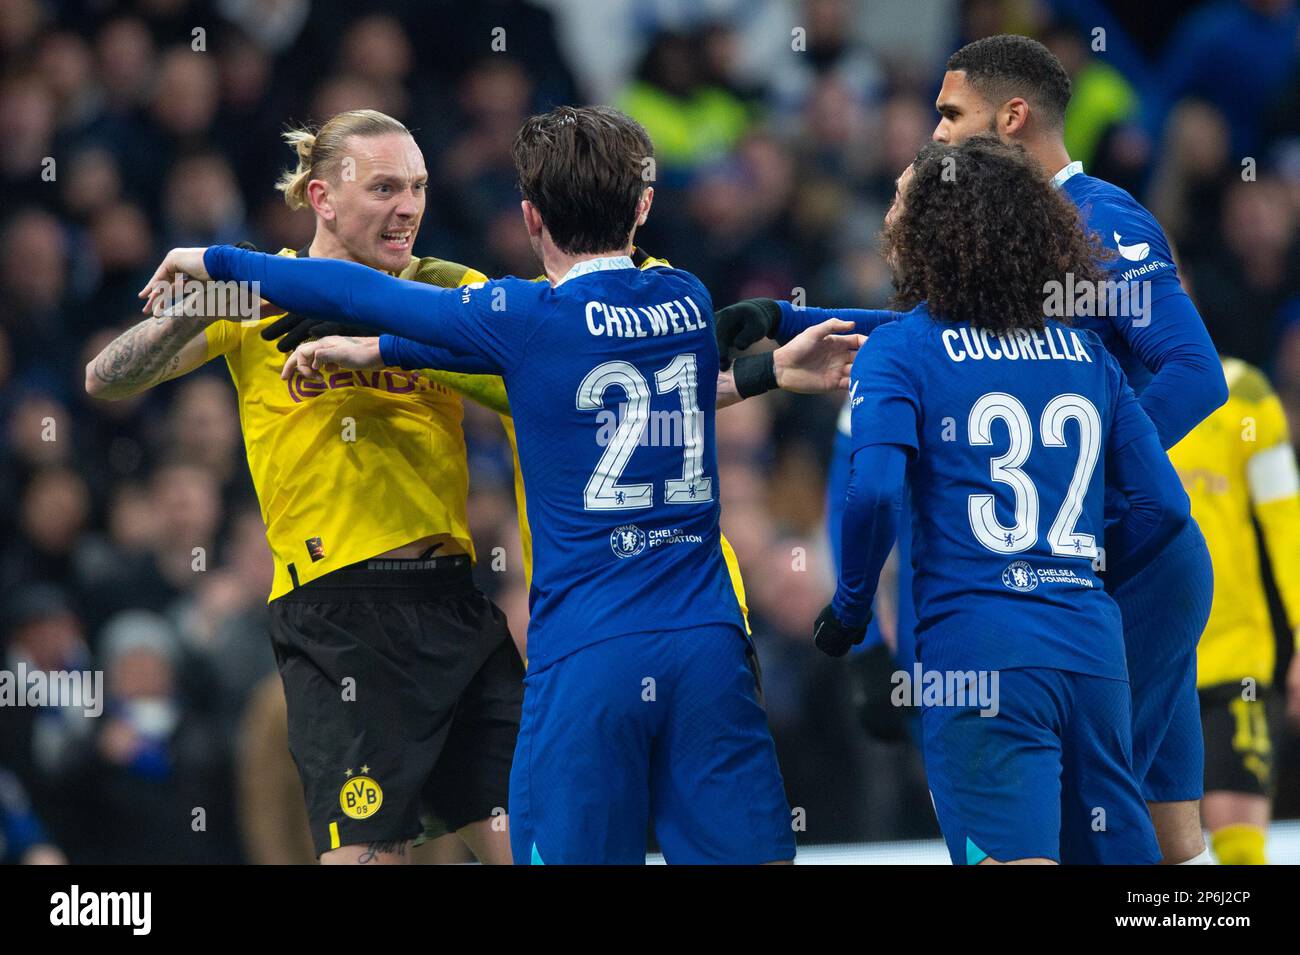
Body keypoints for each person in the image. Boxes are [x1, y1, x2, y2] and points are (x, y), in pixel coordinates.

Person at [140, 105, 864, 864]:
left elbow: (369, 295)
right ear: (645, 205)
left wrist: (218, 260)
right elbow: (684, 366)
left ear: (529, 217)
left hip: (586, 652)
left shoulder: (519, 316)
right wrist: (775, 362)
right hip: (707, 633)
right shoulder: (682, 299)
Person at [716, 33, 1229, 864]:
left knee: (1082, 832)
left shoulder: (1101, 217)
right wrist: (794, 323)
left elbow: (1196, 374)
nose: (940, 135)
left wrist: (1083, 481)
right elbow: (977, 349)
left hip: (1123, 565)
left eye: (952, 113)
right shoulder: (1029, 240)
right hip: (1094, 569)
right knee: (1164, 841)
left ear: (1012, 116)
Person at [87, 109, 526, 865]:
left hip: (455, 601)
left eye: (417, 187)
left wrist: (388, 336)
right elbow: (108, 376)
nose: (409, 207)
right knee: (367, 853)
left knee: (531, 836)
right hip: (342, 610)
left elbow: (528, 372)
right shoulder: (261, 292)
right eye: (385, 186)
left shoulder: (443, 290)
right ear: (322, 197)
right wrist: (211, 304)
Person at [815, 138, 1189, 864]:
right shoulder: (1090, 358)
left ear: (932, 230)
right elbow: (1164, 509)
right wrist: (1077, 571)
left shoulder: (902, 351)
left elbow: (876, 494)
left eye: (900, 203)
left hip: (977, 656)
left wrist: (851, 610)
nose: (887, 219)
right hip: (1092, 652)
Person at [1167, 357, 1300, 863]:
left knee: (1239, 840)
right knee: (1140, 838)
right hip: (1137, 660)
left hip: (1231, 655)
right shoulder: (1096, 380)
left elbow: (1287, 520)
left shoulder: (1241, 389)